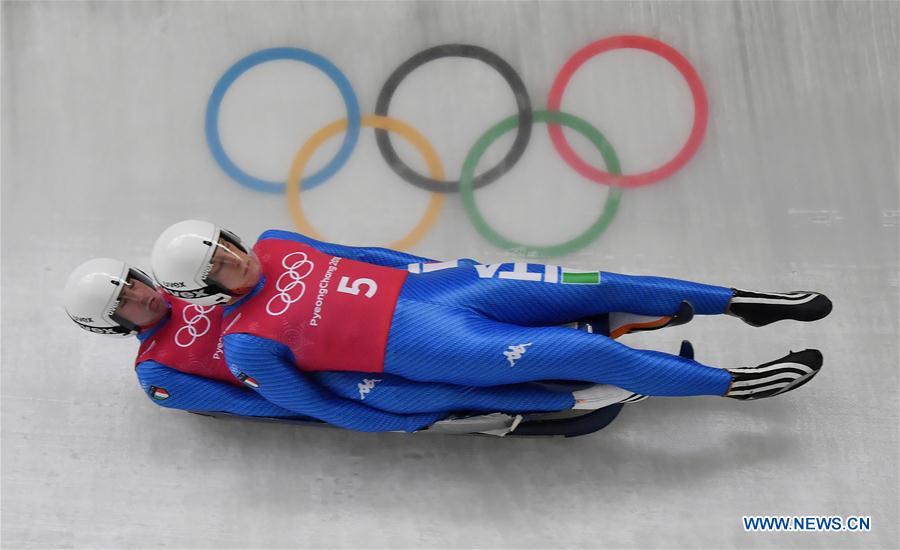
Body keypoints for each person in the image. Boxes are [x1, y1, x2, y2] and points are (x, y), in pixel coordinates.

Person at [151, 221, 831, 414]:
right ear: (202, 291)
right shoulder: (244, 345)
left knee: (602, 280)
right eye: (215, 267)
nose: (234, 261)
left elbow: (362, 253)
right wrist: (411, 413)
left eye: (226, 246)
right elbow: (312, 406)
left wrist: (430, 267)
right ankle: (736, 385)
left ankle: (750, 304)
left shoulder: (276, 243)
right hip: (432, 345)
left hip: (446, 289)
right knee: (591, 357)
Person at [64, 258, 647, 433]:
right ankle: (566, 402)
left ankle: (580, 339)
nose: (140, 297)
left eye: (134, 283)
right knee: (419, 396)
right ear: (111, 324)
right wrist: (332, 404)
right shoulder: (157, 373)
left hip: (344, 332)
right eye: (124, 303)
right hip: (315, 377)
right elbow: (261, 405)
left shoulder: (191, 270)